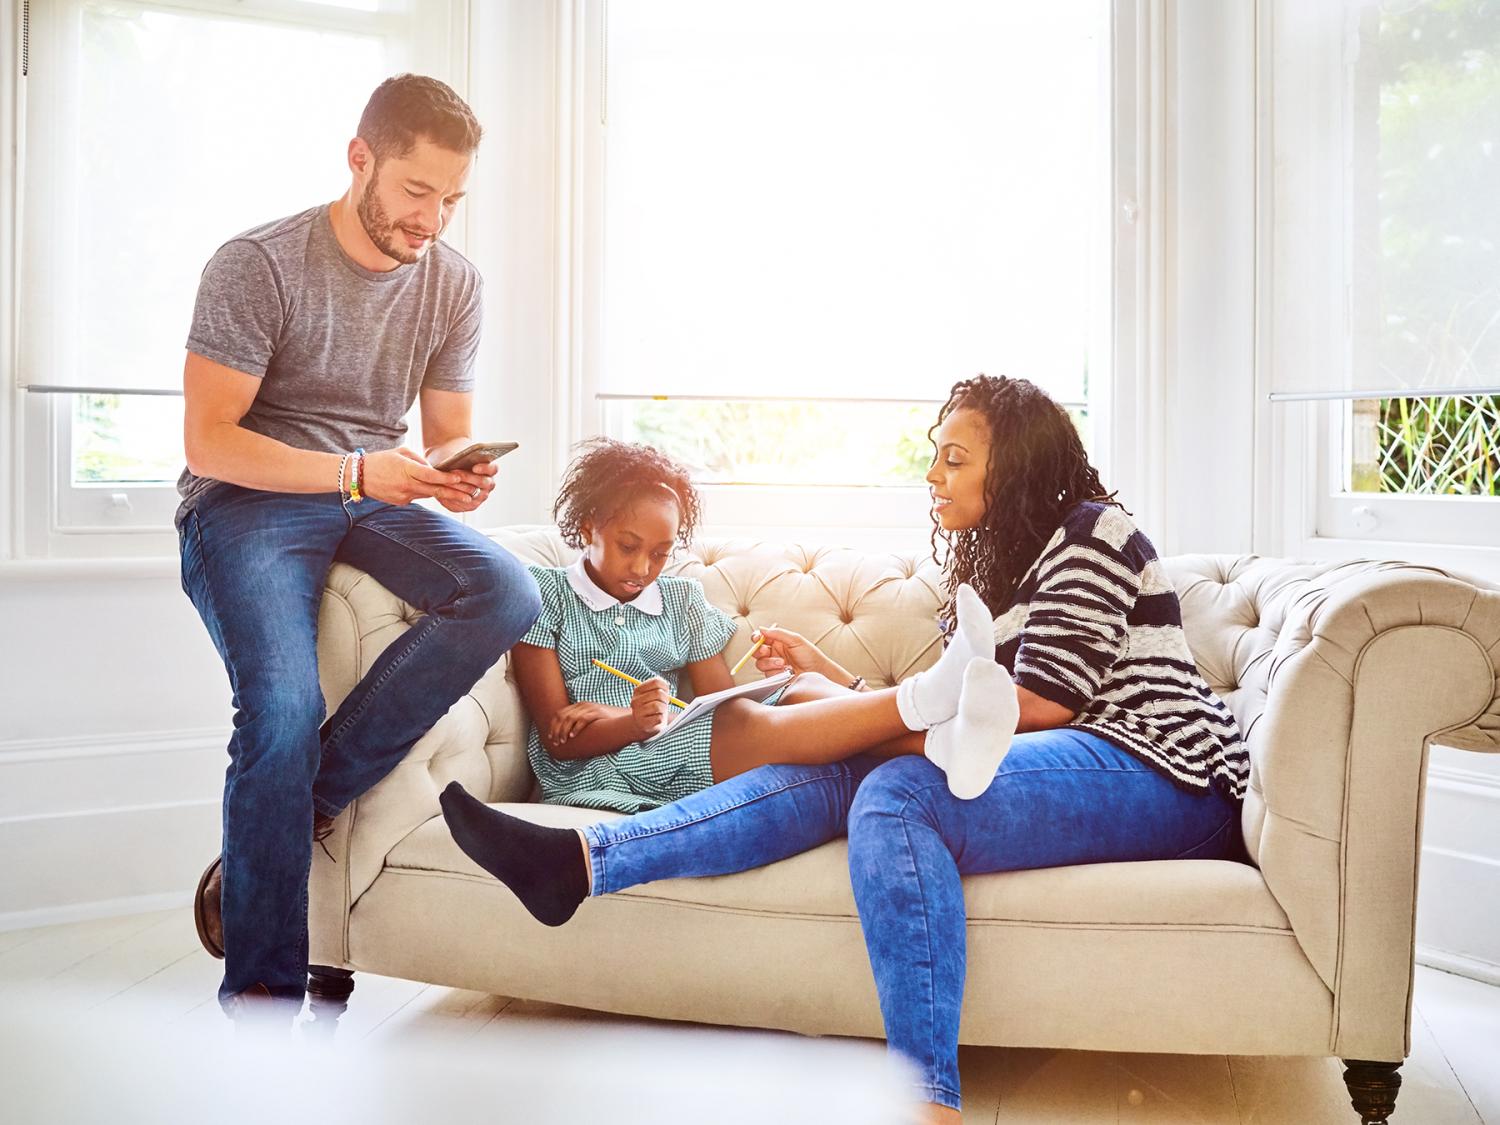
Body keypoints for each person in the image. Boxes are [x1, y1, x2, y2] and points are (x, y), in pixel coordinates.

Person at [439, 375, 1247, 1122]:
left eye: (955, 458)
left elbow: (1039, 704)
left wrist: (879, 717)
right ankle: (581, 862)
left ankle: (925, 1100)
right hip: (1045, 753)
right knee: (837, 766)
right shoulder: (997, 572)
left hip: (1162, 768)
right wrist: (840, 686)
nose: (933, 473)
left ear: (1019, 466)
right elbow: (967, 716)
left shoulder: (1090, 530)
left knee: (898, 789)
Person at [177, 74, 541, 1019]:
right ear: (360, 159)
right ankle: (258, 1006)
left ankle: (292, 811)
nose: (433, 219)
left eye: (453, 198)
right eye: (417, 191)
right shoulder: (257, 264)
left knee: (505, 589)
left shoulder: (453, 282)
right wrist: (354, 474)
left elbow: (443, 433)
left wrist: (457, 474)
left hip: (369, 491)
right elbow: (209, 441)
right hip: (243, 501)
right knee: (282, 713)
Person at [494, 436, 1016, 825]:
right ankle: (928, 701)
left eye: (659, 553)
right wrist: (629, 721)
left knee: (802, 688)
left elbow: (722, 702)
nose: (644, 568)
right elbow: (561, 740)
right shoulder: (546, 596)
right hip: (612, 760)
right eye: (629, 546)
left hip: (679, 735)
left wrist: (768, 687)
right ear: (589, 526)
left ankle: (940, 741)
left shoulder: (680, 599)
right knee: (751, 721)